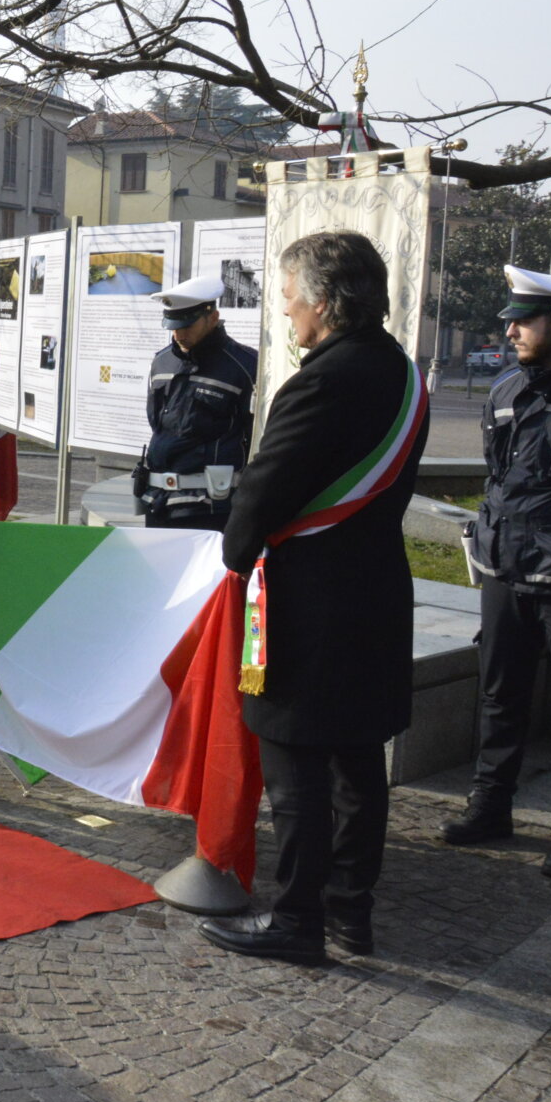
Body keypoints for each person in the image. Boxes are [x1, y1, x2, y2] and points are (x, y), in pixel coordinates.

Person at [195, 230, 428, 965]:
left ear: (324, 302)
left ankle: (298, 919)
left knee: (296, 762)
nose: (287, 311)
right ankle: (349, 914)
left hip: (312, 604)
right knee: (360, 763)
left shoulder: (325, 379)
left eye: (291, 297)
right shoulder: (400, 370)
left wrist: (234, 553)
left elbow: (266, 485)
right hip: (376, 592)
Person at [441, 264, 551, 878]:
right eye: (510, 321)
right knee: (499, 693)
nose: (510, 330)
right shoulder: (507, 390)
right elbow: (499, 475)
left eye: (524, 320)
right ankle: (491, 807)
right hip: (505, 567)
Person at [134, 276, 257, 529]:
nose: (178, 334)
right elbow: (157, 423)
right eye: (173, 326)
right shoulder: (161, 361)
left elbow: (255, 438)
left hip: (209, 508)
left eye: (187, 325)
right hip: (158, 502)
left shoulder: (245, 365)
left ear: (212, 317)